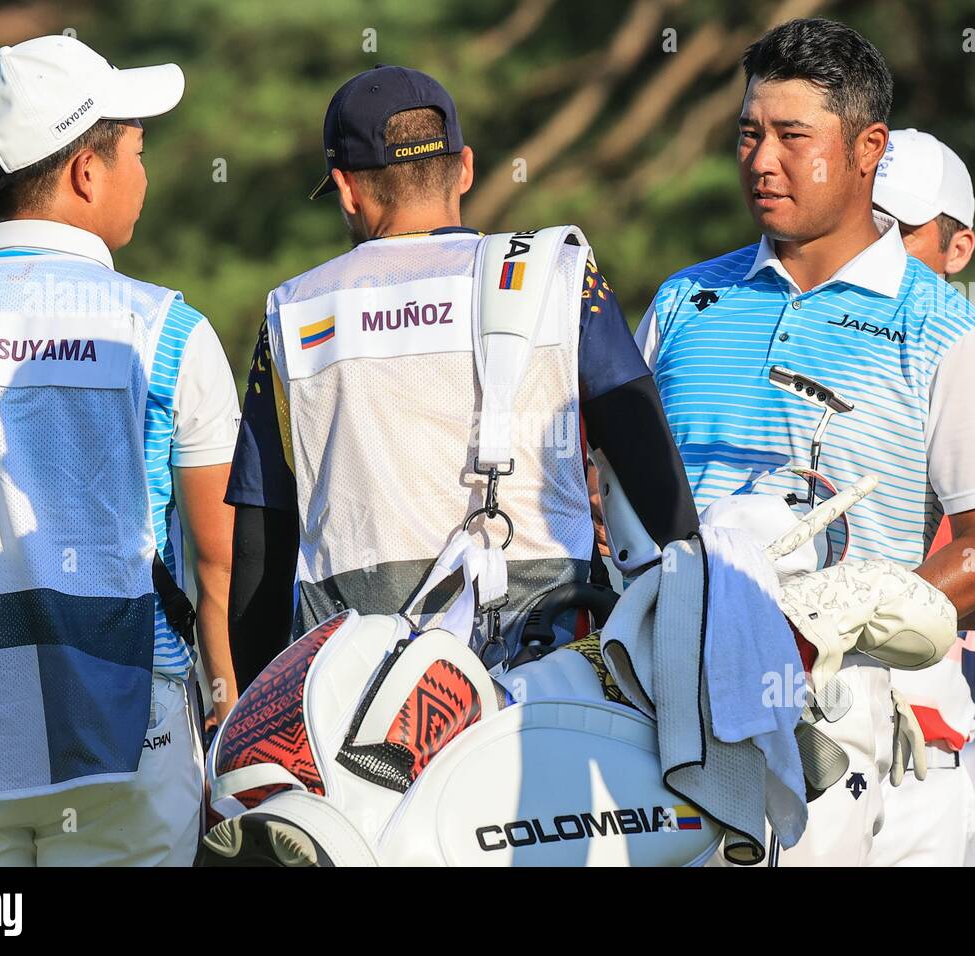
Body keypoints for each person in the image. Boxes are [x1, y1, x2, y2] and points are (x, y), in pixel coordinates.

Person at [636, 18, 975, 865]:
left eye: (791, 136)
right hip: (665, 722)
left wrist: (841, 622)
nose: (761, 160)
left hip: (855, 743)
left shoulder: (949, 332)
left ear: (867, 149)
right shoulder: (680, 302)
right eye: (748, 133)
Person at [0, 35, 241, 866]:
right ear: (86, 172)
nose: (144, 176)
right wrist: (227, 702)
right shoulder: (168, 329)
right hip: (129, 740)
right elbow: (218, 564)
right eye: (137, 153)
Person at [224, 65, 696, 688]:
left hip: (353, 698)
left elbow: (260, 549)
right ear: (466, 168)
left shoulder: (293, 312)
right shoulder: (558, 276)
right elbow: (658, 484)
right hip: (543, 686)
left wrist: (260, 706)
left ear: (345, 188)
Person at [866, 128, 975, 867]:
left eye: (899, 232)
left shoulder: (972, 370)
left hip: (913, 774)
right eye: (863, 223)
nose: (872, 247)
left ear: (959, 249)